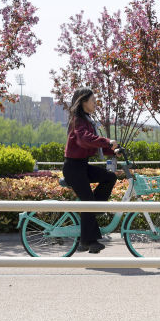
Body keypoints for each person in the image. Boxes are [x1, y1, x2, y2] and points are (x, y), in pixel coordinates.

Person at [63, 87, 119, 254]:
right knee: (88, 202)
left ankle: (94, 211)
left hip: (82, 166)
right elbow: (85, 140)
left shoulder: (87, 119)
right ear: (83, 102)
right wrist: (108, 141)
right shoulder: (78, 120)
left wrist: (113, 150)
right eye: (93, 101)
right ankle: (88, 241)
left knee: (109, 177)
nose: (95, 103)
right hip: (73, 168)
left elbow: (94, 146)